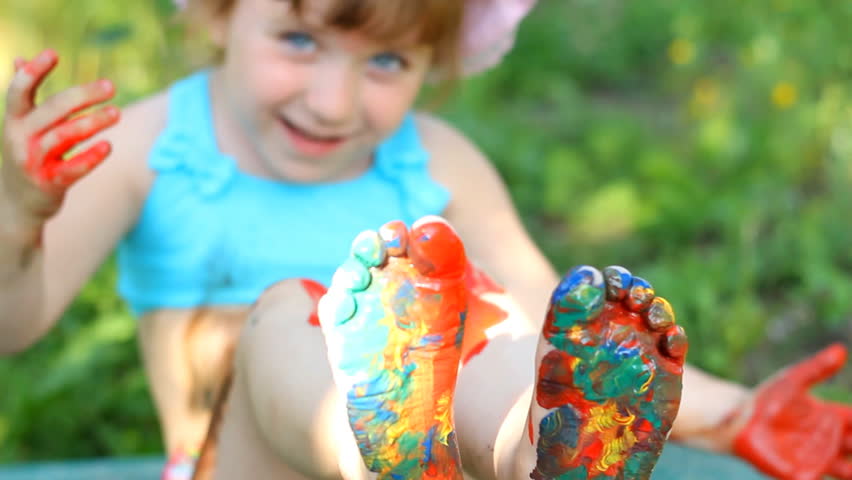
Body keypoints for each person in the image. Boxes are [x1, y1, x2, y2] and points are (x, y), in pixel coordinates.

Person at [1, 0, 850, 479]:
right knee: (291, 314)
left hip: (452, 452)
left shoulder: (437, 160)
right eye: (300, 40)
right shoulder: (147, 147)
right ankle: (374, 450)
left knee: (491, 333)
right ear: (218, 13)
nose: (333, 104)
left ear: (433, 65)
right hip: (249, 467)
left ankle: (534, 459)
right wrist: (18, 215)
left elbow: (537, 311)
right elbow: (14, 324)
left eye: (386, 64)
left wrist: (738, 414)